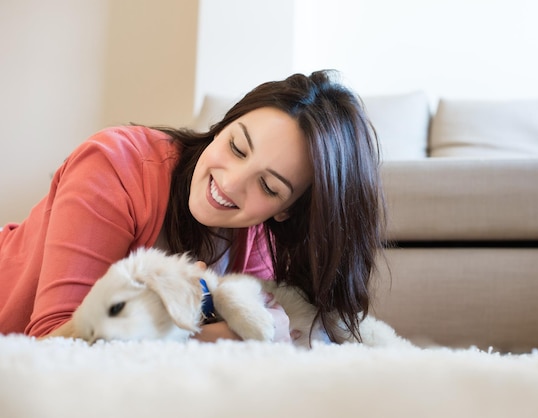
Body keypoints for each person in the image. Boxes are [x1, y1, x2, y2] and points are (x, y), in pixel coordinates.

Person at [0, 70, 385, 343]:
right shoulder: (114, 165)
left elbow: (268, 329)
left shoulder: (255, 240)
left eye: (268, 186)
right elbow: (53, 340)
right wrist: (206, 334)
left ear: (286, 210)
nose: (230, 183)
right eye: (236, 146)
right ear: (223, 125)